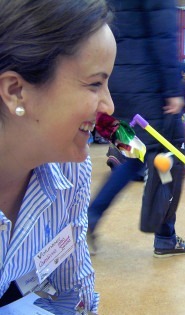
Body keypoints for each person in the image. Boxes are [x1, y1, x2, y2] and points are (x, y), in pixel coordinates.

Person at [0, 0, 115, 313]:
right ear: (15, 91)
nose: (109, 106)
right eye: (95, 83)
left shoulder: (69, 167)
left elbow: (72, 286)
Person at [88, 0, 185, 258]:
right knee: (168, 159)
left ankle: (91, 216)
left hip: (119, 85)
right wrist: (173, 89)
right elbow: (163, 36)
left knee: (133, 156)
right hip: (151, 89)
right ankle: (165, 237)